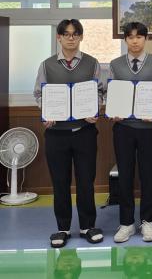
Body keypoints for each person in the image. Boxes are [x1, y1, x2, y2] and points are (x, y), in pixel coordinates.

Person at [34, 19, 104, 248]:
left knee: (86, 181)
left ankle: (87, 226)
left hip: (85, 131)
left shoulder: (92, 63)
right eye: (66, 34)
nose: (71, 38)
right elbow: (38, 94)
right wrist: (46, 111)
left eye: (75, 34)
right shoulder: (47, 65)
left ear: (81, 37)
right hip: (56, 133)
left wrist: (95, 109)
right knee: (60, 182)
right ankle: (62, 227)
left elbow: (100, 91)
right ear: (59, 37)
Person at [109, 22, 152, 243]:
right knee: (125, 175)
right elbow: (109, 92)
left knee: (147, 176)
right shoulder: (115, 64)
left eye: (139, 37)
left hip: (148, 129)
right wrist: (113, 110)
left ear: (146, 39)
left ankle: (147, 221)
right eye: (131, 37)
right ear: (125, 39)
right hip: (123, 128)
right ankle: (126, 223)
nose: (135, 41)